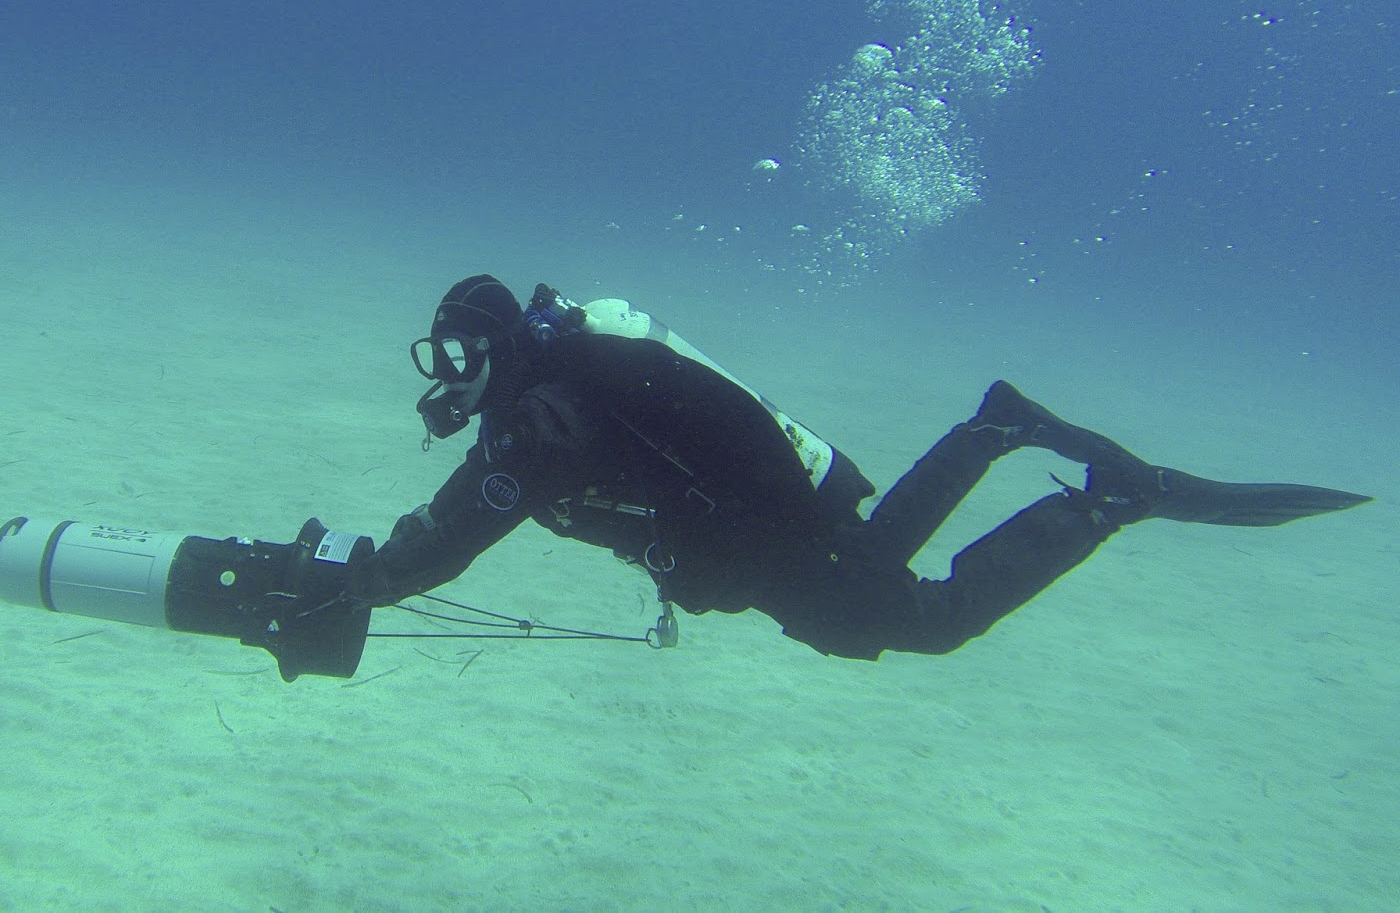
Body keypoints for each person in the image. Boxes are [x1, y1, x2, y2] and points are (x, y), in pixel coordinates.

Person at [339, 274, 1372, 659]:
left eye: (457, 357)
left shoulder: (544, 416)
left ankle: (1099, 507)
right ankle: (994, 430)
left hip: (769, 517)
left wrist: (365, 577)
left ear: (499, 347)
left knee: (913, 622)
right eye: (441, 361)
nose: (448, 379)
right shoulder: (563, 385)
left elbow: (462, 528)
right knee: (875, 584)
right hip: (778, 503)